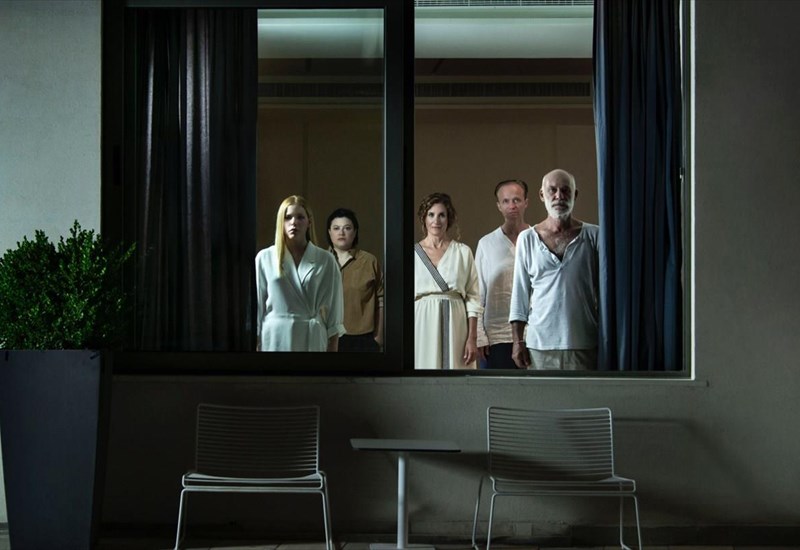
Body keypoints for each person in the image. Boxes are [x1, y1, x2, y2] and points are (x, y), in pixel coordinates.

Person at [509, 169, 599, 370]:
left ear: (575, 195)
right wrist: (517, 341)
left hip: (583, 342)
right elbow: (519, 294)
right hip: (539, 346)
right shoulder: (527, 239)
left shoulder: (594, 236)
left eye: (566, 190)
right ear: (542, 195)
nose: (559, 196)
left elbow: (605, 293)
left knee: (584, 392)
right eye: (553, 190)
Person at [255, 195, 345, 352]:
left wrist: (333, 350)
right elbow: (258, 307)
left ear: (309, 222)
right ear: (280, 221)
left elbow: (334, 309)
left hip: (311, 336)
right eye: (288, 217)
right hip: (275, 337)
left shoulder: (325, 260)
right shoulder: (265, 258)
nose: (294, 222)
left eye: (300, 217)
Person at [414, 192, 482, 369]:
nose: (436, 221)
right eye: (431, 215)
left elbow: (473, 298)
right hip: (423, 322)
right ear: (424, 218)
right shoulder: (412, 254)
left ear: (448, 218)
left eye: (441, 215)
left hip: (456, 322)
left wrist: (472, 338)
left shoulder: (462, 252)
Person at [475, 179, 530, 369]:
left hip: (533, 333)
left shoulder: (537, 239)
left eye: (516, 200)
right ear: (499, 205)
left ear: (526, 202)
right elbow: (478, 293)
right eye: (506, 201)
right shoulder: (487, 244)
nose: (512, 206)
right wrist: (479, 335)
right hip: (497, 335)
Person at [326, 208, 384, 352]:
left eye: (347, 228)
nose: (341, 232)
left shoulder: (369, 261)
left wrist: (378, 337)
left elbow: (381, 300)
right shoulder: (320, 260)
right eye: (336, 228)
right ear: (329, 232)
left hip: (363, 339)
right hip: (326, 335)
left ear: (355, 232)